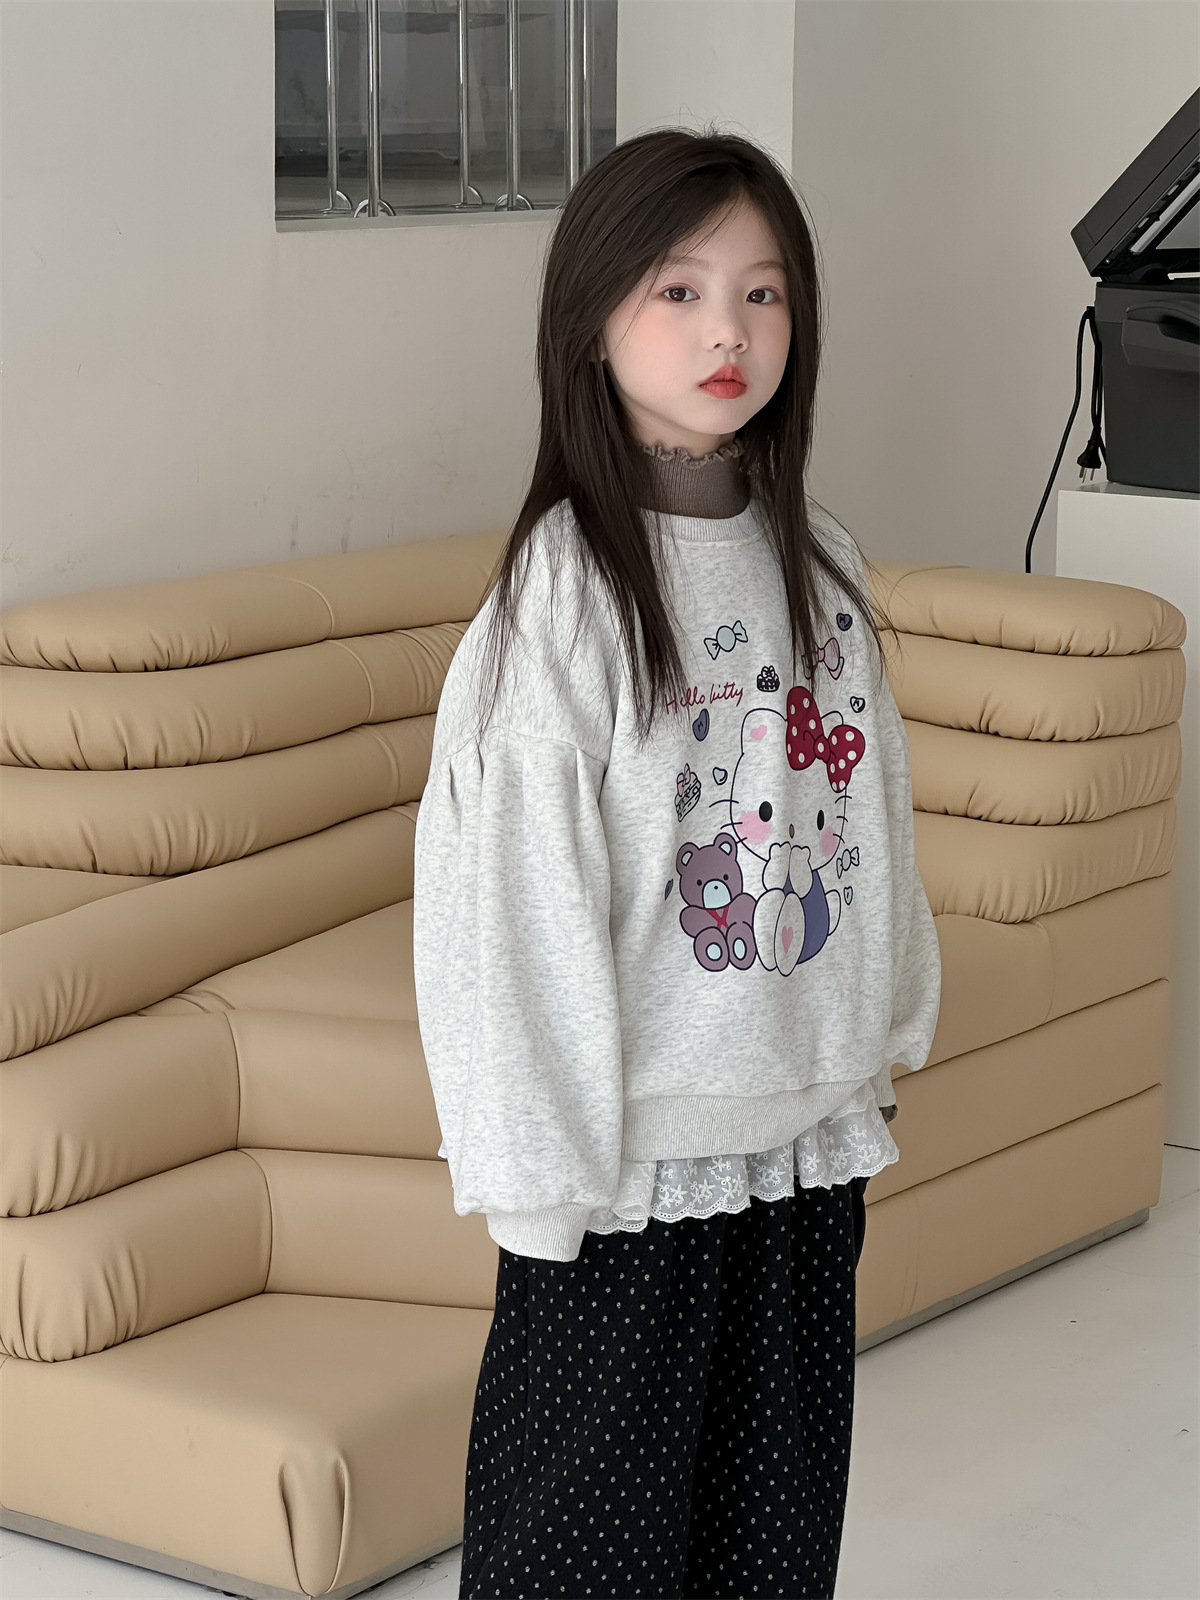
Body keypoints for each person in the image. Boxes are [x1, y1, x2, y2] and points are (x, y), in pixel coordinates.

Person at [413, 125, 941, 1600]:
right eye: (680, 290)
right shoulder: (562, 597)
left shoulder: (820, 564)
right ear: (592, 317)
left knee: (770, 1549)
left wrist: (880, 1035)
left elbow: (867, 811)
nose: (729, 333)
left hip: (803, 1147)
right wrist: (537, 1180)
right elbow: (509, 907)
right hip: (626, 1181)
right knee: (581, 1562)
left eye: (763, 294)